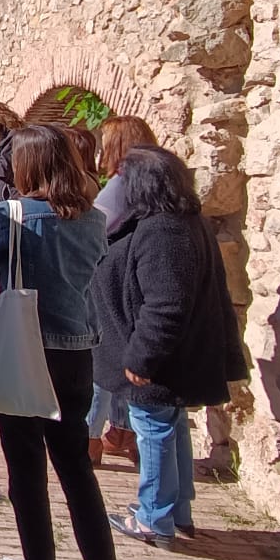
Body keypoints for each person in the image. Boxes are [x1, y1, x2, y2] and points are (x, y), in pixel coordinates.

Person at [0, 123, 127, 560]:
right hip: (76, 352)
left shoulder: (11, 214)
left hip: (23, 348)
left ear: (28, 165)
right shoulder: (93, 220)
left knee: (26, 468)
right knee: (76, 466)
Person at [93, 145, 248, 549]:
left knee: (155, 429)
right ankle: (177, 511)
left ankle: (154, 518)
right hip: (177, 357)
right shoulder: (179, 222)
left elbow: (166, 303)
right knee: (170, 425)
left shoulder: (164, 231)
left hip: (163, 359)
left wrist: (142, 356)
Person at [88, 114, 160, 466]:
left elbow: (96, 229)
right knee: (123, 353)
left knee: (102, 360)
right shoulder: (157, 183)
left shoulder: (120, 184)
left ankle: (88, 436)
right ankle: (121, 431)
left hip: (114, 278)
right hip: (141, 279)